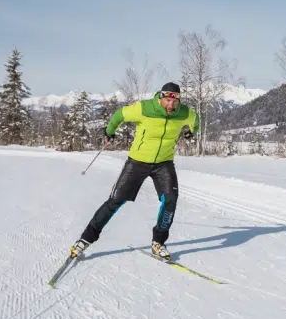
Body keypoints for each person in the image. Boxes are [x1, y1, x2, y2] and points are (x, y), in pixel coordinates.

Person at [69, 82, 199, 261]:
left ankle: (158, 243)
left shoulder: (184, 112)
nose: (170, 105)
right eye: (167, 101)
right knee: (115, 200)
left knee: (170, 200)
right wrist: (109, 132)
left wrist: (191, 132)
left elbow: (195, 120)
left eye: (174, 102)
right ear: (160, 97)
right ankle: (85, 239)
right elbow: (119, 115)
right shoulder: (144, 108)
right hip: (137, 162)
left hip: (164, 163)